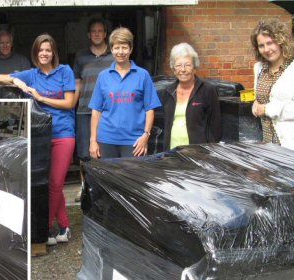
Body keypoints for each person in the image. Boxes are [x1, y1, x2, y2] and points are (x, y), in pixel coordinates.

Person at [0, 33, 76, 246]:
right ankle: (64, 226)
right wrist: (15, 79)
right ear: (35, 54)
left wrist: (40, 97)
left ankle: (45, 228)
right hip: (40, 137)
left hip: (63, 134)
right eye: (41, 51)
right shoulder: (32, 74)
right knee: (49, 184)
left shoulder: (64, 71)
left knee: (56, 183)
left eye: (48, 50)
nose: (45, 54)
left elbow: (69, 103)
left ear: (54, 52)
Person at [88, 27, 161, 159]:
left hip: (134, 141)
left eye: (124, 47)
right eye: (116, 48)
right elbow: (96, 111)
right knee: (108, 179)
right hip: (106, 139)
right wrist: (93, 140)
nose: (120, 52)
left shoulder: (142, 75)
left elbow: (149, 109)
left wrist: (146, 135)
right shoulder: (103, 76)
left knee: (131, 179)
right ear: (111, 49)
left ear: (131, 49)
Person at [250, 19, 294, 153]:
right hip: (269, 145)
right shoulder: (259, 68)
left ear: (281, 41)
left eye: (270, 43)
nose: (266, 49)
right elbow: (263, 97)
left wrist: (266, 109)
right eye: (261, 45)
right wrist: (255, 103)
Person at [72, 18, 114, 201]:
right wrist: (71, 107)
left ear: (105, 34)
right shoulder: (81, 56)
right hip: (84, 110)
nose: (97, 34)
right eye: (93, 31)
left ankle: (105, 188)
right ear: (89, 34)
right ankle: (85, 187)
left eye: (100, 31)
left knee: (106, 150)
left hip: (108, 111)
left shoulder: (114, 56)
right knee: (84, 153)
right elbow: (77, 84)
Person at [162, 43, 221, 151]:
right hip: (172, 152)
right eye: (178, 65)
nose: (183, 69)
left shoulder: (207, 90)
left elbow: (215, 126)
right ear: (173, 69)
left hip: (198, 153)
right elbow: (166, 125)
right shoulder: (168, 92)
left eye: (187, 65)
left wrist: (209, 151)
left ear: (194, 68)